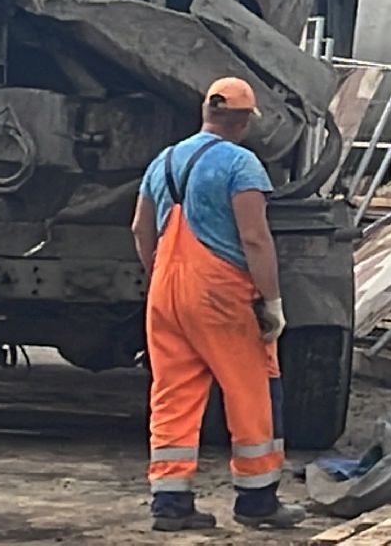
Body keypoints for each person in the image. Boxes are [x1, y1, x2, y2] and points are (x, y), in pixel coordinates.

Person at [132, 77, 306, 533]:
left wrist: (159, 276)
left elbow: (139, 229)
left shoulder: (164, 160)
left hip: (166, 288)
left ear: (206, 113)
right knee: (251, 391)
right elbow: (254, 237)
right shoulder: (241, 164)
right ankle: (257, 502)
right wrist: (272, 300)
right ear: (244, 119)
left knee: (172, 394)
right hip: (220, 292)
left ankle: (170, 504)